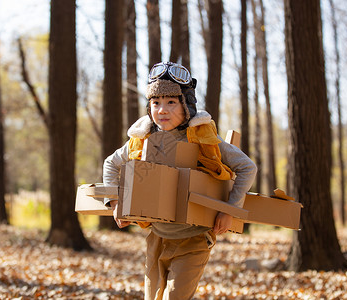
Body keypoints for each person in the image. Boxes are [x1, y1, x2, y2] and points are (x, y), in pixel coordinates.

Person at [103, 62, 257, 300]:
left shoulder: (202, 137)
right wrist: (115, 204)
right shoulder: (143, 138)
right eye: (156, 103)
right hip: (157, 237)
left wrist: (229, 210)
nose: (162, 110)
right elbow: (111, 163)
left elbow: (247, 167)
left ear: (186, 104)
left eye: (171, 102)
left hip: (193, 238)